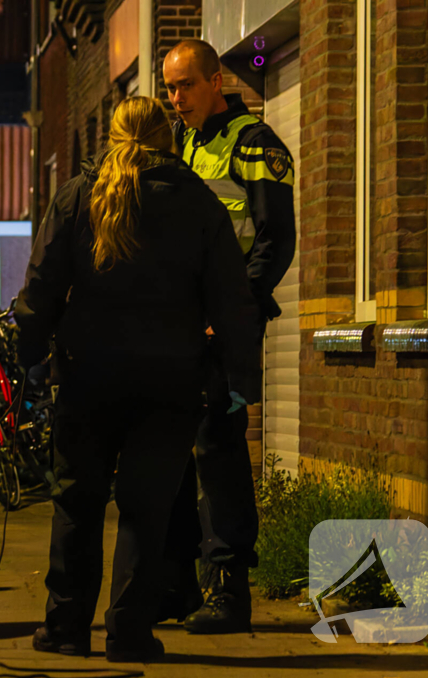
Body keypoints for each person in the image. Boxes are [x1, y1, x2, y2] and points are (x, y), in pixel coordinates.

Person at [14, 96, 262, 662]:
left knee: (76, 501)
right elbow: (231, 299)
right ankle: (129, 633)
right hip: (170, 378)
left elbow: (41, 284)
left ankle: (66, 627)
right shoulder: (198, 202)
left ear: (114, 134)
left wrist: (30, 356)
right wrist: (239, 376)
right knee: (146, 508)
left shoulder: (79, 194)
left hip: (87, 373)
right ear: (166, 138)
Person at [161, 39, 296, 634]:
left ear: (216, 81)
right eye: (170, 88)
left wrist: (235, 312)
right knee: (175, 449)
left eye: (186, 85)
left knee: (219, 452)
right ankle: (179, 584)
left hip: (225, 328)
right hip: (183, 325)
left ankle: (229, 590)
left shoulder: (255, 143)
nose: (176, 97)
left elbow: (275, 237)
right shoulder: (184, 142)